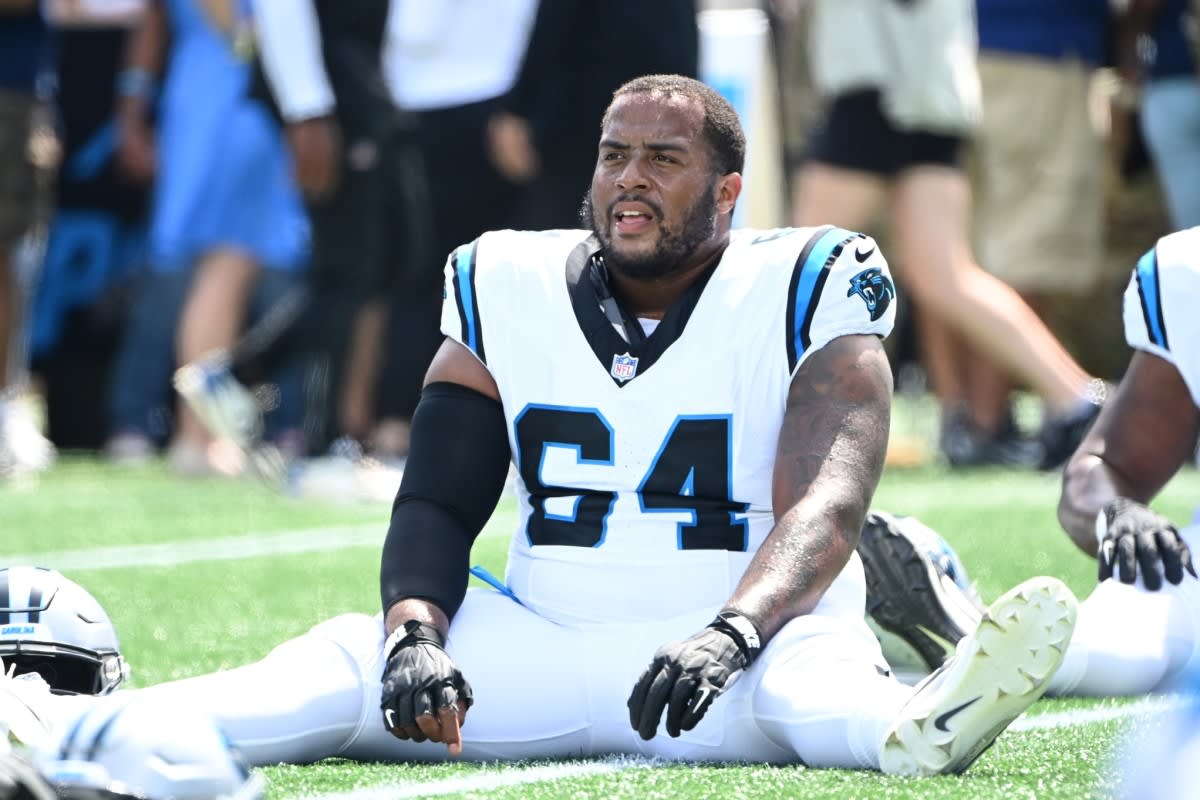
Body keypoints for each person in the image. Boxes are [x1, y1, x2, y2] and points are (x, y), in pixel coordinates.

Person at [2, 75, 1079, 779]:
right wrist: (414, 632)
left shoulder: (810, 280)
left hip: (739, 651)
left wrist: (731, 631)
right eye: (614, 155)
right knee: (334, 661)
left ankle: (915, 722)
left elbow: (829, 506)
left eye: (663, 160)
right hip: (543, 637)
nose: (629, 181)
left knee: (818, 690)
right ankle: (67, 728)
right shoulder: (504, 280)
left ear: (729, 193)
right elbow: (437, 496)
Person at [860, 226, 1200, 696]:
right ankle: (970, 640)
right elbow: (1107, 466)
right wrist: (1118, 514)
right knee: (1128, 637)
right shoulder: (1189, 271)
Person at [793, 0, 1104, 470]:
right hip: (928, 94)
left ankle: (759, 418)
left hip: (880, 87)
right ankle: (1078, 401)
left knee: (795, 267)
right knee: (945, 275)